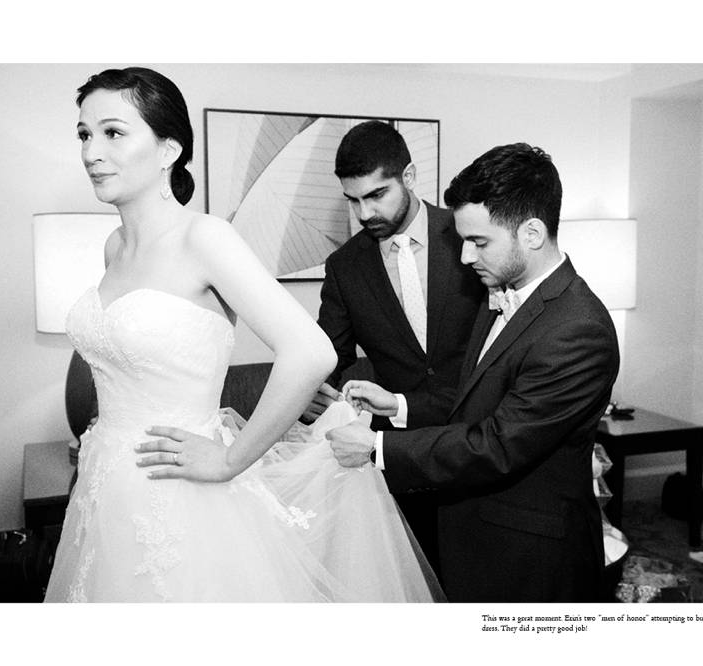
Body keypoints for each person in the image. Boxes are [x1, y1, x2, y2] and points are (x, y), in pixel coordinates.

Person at [43, 68, 438, 602]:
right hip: (105, 489)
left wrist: (231, 459)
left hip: (184, 498)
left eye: (113, 132)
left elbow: (311, 351)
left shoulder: (205, 237)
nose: (92, 151)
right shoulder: (113, 247)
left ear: (167, 150)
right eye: (84, 134)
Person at [327, 143, 620, 602]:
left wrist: (378, 446)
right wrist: (400, 405)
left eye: (479, 242)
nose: (464, 257)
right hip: (474, 536)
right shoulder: (501, 293)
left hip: (530, 558)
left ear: (532, 233)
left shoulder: (578, 330)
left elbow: (499, 444)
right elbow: (475, 401)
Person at [302, 120, 484, 573]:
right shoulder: (345, 266)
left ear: (410, 177)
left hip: (482, 447)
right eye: (353, 200)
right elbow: (329, 354)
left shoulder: (467, 237)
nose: (364, 214)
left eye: (376, 195)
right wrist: (308, 390)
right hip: (401, 459)